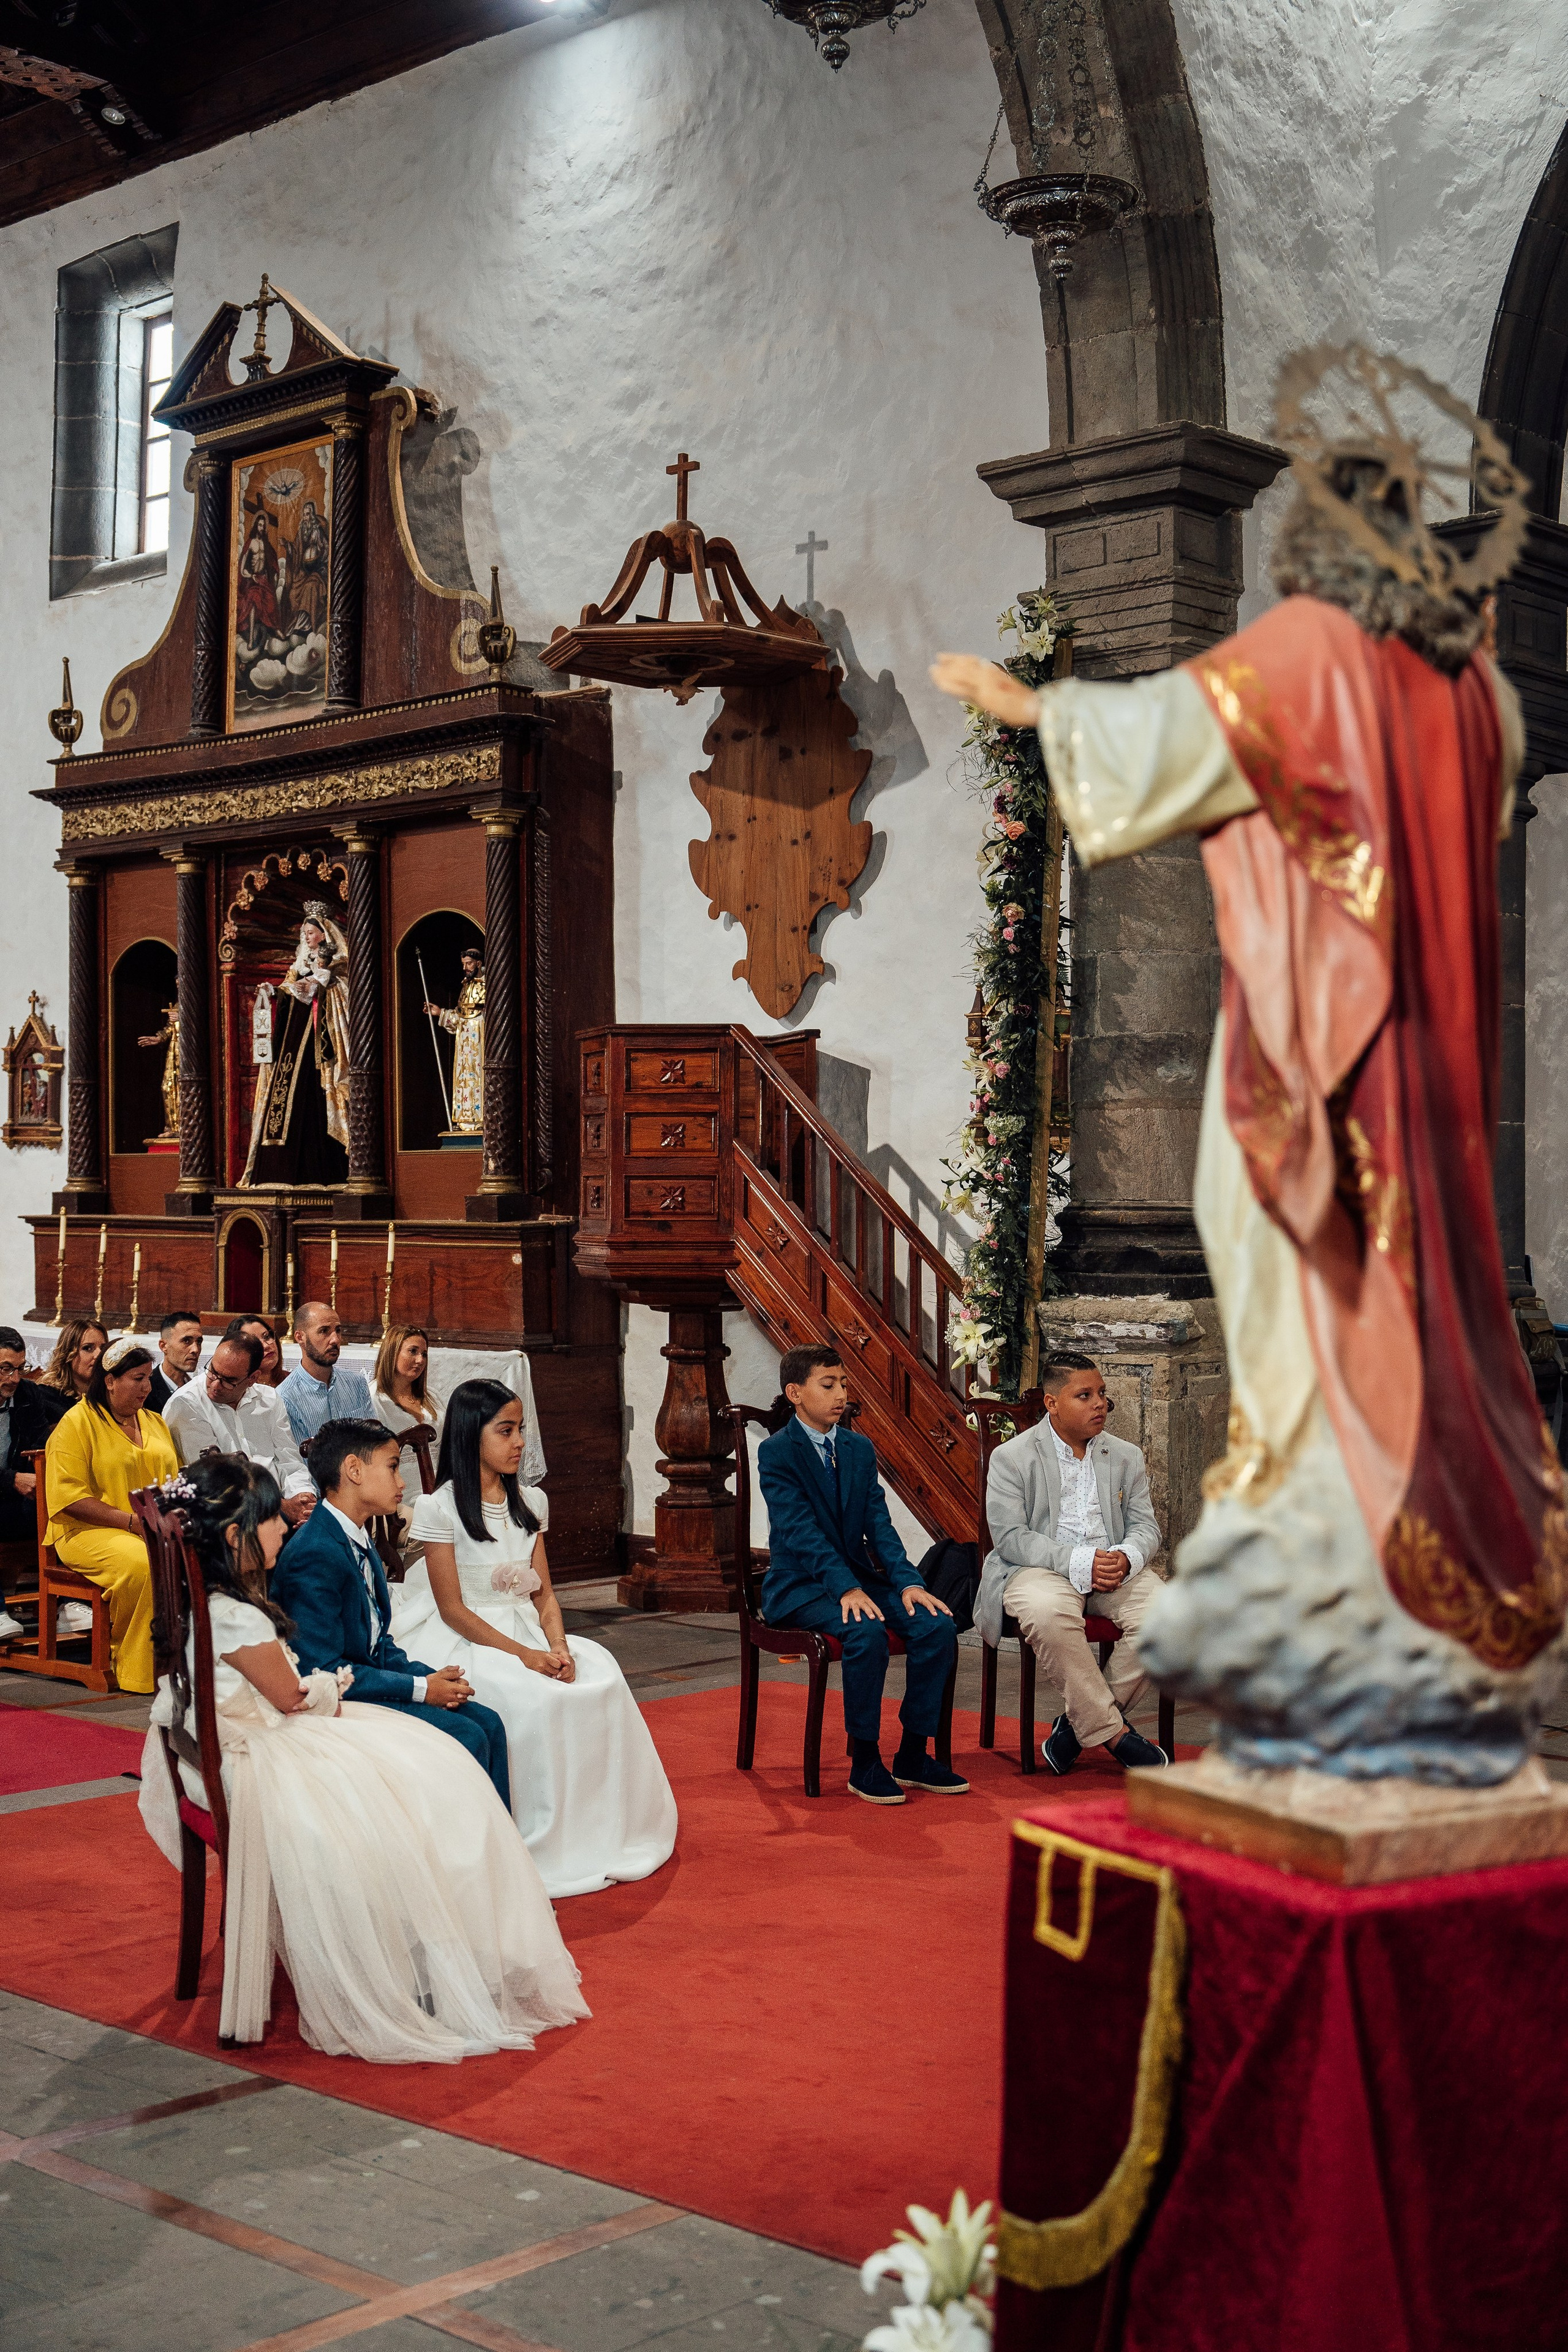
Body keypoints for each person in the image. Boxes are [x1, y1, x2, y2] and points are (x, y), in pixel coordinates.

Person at [931, 344, 1566, 1787]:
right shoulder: (1463, 700)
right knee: (1400, 1314)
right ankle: (1431, 1590)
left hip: (1307, 1060)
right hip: (1416, 1075)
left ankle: (1335, 1589)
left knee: (1288, 1308)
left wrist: (1027, 706)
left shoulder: (1313, 656)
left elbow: (1162, 729)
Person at [137, 1456, 588, 2061]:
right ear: (235, 1535)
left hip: (236, 1747)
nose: (283, 1530)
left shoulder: (211, 1603)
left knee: (432, 1762)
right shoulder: (238, 1615)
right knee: (425, 1783)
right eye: (272, 1520)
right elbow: (292, 1696)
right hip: (261, 1758)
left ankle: (434, 1945)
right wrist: (331, 1686)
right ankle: (417, 1964)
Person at [393, 1379, 677, 1896]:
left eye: (521, 1429)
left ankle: (598, 1829)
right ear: (468, 1434)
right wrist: (526, 1657)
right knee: (531, 1698)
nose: (520, 1441)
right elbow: (453, 1609)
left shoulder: (532, 1502)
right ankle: (537, 1837)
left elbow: (545, 1594)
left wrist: (560, 1647)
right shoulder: (439, 1508)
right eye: (506, 1430)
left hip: (525, 1628)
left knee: (601, 1677)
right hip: (472, 1637)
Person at [758, 1345, 965, 1805]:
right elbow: (800, 1532)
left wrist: (910, 1582)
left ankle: (912, 1753)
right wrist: (847, 1588)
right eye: (828, 1385)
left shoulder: (858, 1448)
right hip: (799, 1586)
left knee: (936, 1625)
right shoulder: (777, 1453)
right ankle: (865, 1761)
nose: (841, 1395)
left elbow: (880, 1525)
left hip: (855, 1580)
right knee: (865, 1631)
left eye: (844, 1385)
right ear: (795, 1392)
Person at [270, 1418, 513, 1805]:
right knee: (465, 1735)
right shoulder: (315, 1552)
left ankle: (500, 1852)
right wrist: (420, 1689)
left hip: (360, 1682)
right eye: (393, 1466)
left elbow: (378, 1643)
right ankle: (461, 1856)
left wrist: (429, 1677)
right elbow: (320, 1670)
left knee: (489, 1721)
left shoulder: (358, 1535)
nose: (402, 1482)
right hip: (330, 1700)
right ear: (354, 1470)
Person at [977, 1354, 1166, 1774]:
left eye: (1102, 1394)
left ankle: (1077, 1728)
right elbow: (1010, 1538)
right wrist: (1081, 1561)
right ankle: (1114, 1734)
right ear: (1052, 1404)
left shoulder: (1125, 1456)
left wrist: (1126, 1556)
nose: (1099, 1403)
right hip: (1039, 1568)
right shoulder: (1012, 1457)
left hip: (1113, 1568)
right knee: (1047, 1611)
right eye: (1084, 1396)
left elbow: (1146, 1527)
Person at [43, 1335, 178, 1694]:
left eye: (149, 1377)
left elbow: (172, 1482)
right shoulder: (77, 1424)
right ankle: (137, 1669)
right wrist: (134, 1523)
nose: (148, 1387)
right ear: (110, 1381)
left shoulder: (154, 1421)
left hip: (149, 1526)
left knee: (208, 1550)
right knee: (143, 1562)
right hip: (84, 1532)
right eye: (138, 1379)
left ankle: (187, 1662)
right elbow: (69, 1499)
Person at [241, 904, 350, 1188]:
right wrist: (273, 991)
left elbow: (339, 994)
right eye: (304, 933)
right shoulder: (299, 964)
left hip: (319, 1037)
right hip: (294, 1036)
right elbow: (290, 988)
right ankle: (275, 1170)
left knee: (311, 1091)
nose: (307, 937)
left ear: (324, 935)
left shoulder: (336, 962)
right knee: (285, 1090)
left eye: (311, 932)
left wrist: (317, 985)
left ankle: (320, 1171)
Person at [224, 1316, 315, 1523]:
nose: (265, 1345)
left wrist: (302, 1497)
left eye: (267, 1336)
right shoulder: (229, 1397)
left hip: (299, 1484)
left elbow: (290, 1458)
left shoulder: (290, 1385)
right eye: (255, 1341)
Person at [0, 1325, 59, 1642]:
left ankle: (68, 1602)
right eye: (5, 1369)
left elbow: (42, 1440)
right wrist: (11, 1480)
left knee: (61, 1504)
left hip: (15, 1498)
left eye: (20, 1369)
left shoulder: (27, 1394)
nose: (13, 1379)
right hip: (8, 1487)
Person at [277, 1302, 374, 1450]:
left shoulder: (357, 1383)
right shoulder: (286, 1397)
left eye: (338, 1330)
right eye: (324, 1331)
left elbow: (374, 1441)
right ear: (300, 1337)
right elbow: (300, 1462)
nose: (335, 1340)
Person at [424, 946, 486, 1134]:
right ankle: (466, 1122)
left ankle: (483, 1119)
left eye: (469, 964)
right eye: (464, 964)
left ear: (478, 964)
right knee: (464, 1080)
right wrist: (440, 1013)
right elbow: (459, 1017)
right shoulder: (465, 987)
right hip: (464, 1043)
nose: (466, 968)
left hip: (481, 1041)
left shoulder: (487, 986)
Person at [34, 1319, 108, 1431]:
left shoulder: (110, 1394)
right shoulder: (46, 1397)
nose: (98, 1355)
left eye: (103, 1348)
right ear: (68, 1354)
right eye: (88, 1348)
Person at [146, 1311, 203, 1415]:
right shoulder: (146, 1390)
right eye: (186, 1341)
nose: (195, 1349)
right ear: (164, 1346)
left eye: (199, 1342)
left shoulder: (201, 1389)